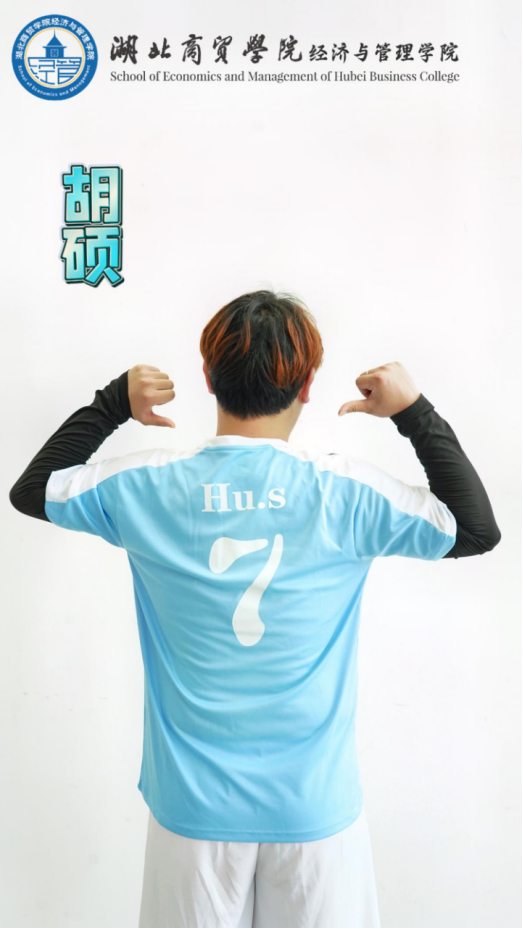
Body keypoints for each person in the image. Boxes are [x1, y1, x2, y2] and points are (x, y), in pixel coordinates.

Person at [9, 290, 501, 929]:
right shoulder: (346, 491)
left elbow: (33, 491)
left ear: (208, 377)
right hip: (314, 815)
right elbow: (474, 529)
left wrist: (112, 404)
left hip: (192, 817)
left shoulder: (146, 485)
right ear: (307, 386)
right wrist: (414, 412)